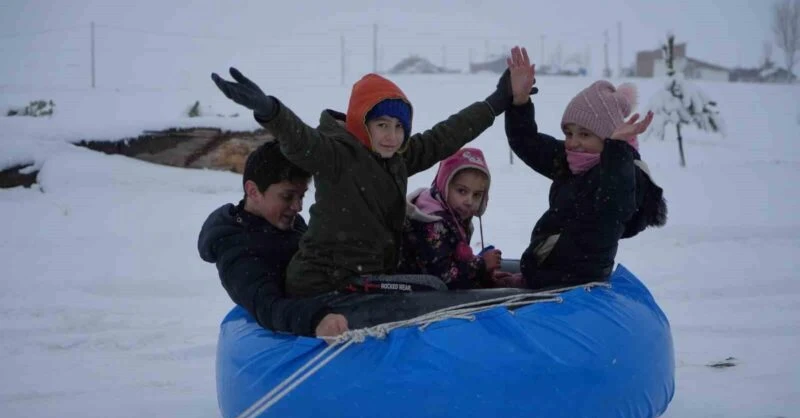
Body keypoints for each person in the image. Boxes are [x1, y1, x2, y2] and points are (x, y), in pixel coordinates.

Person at [211, 56, 529, 301]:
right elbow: (301, 140)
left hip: (369, 276)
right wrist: (270, 110)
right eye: (382, 125)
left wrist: (497, 102)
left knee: (431, 281)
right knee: (433, 290)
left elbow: (445, 135)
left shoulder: (398, 157)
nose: (392, 136)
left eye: (399, 127)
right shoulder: (336, 156)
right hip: (330, 283)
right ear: (362, 123)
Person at [502, 46, 667, 289]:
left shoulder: (624, 173)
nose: (573, 142)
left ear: (608, 137)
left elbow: (614, 206)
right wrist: (520, 101)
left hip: (577, 288)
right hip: (547, 277)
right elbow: (527, 142)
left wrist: (617, 148)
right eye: (568, 132)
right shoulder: (573, 161)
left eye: (585, 134)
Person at [197, 140, 347, 338]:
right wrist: (316, 319)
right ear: (253, 191)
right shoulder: (236, 247)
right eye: (287, 196)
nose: (298, 207)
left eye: (301, 196)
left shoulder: (289, 222)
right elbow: (268, 306)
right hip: (292, 329)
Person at [398, 147, 505, 289]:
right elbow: (444, 277)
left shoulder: (454, 214)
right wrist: (481, 265)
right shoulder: (432, 223)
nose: (469, 201)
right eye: (462, 191)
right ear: (445, 185)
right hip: (418, 297)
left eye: (477, 195)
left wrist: (484, 275)